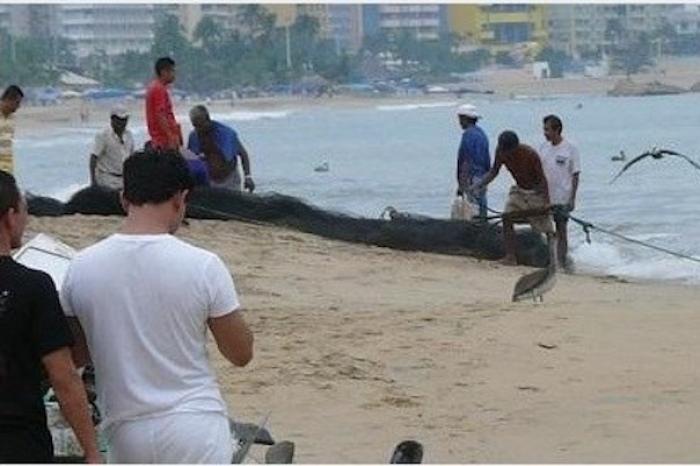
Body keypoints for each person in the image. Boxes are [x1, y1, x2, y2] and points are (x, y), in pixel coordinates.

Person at [60, 151, 254, 463]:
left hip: (125, 429)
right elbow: (240, 353)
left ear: (124, 199)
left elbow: (77, 356)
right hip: (194, 423)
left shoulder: (80, 267)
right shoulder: (203, 265)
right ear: (181, 198)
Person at [0, 171, 100, 463]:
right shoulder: (32, 286)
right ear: (9, 216)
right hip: (18, 444)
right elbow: (64, 377)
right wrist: (92, 453)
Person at [470, 130, 553, 265]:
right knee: (506, 217)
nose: (507, 154)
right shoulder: (501, 151)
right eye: (505, 151)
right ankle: (511, 257)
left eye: (510, 151)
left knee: (547, 228)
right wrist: (479, 185)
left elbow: (543, 180)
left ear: (516, 147)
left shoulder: (530, 154)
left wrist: (547, 202)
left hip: (535, 192)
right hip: (519, 191)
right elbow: (493, 171)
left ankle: (554, 258)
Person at [538, 115, 581, 271]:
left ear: (557, 130)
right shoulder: (543, 147)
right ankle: (550, 261)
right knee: (546, 230)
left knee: (561, 230)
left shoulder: (570, 148)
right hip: (544, 197)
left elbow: (575, 174)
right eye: (544, 129)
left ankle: (562, 263)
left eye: (547, 129)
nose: (545, 133)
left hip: (562, 197)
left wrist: (572, 199)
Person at [187, 105, 255, 192]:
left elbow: (243, 154)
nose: (198, 129)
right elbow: (191, 161)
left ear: (207, 119)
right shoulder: (194, 136)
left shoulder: (226, 134)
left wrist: (248, 177)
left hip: (230, 180)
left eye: (200, 125)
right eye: (195, 126)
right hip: (209, 182)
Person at [456, 103, 491, 220]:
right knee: (481, 210)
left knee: (472, 212)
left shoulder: (468, 135)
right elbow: (487, 161)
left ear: (465, 119)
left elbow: (466, 161)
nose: (459, 122)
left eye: (460, 119)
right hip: (483, 177)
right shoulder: (482, 134)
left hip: (472, 178)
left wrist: (461, 186)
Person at [89, 105, 135, 190]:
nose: (122, 123)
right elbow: (94, 157)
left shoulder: (129, 135)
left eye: (125, 120)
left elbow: (131, 158)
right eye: (120, 120)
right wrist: (93, 181)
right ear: (112, 119)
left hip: (123, 180)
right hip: (107, 179)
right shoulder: (103, 135)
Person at [145, 57, 181, 151]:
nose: (174, 75)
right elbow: (160, 115)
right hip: (163, 141)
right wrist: (170, 137)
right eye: (172, 71)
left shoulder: (156, 87)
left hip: (162, 139)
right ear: (164, 72)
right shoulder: (158, 89)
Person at [0, 85, 23, 174]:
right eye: (17, 103)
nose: (19, 106)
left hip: (7, 169)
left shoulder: (11, 118)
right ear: (8, 100)